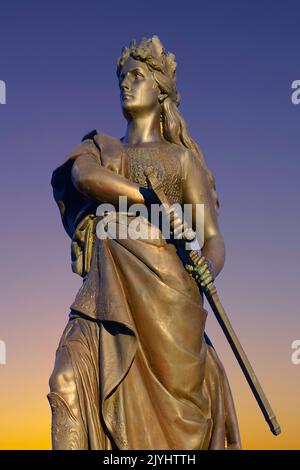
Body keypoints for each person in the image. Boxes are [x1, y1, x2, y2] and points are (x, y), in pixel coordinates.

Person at [48, 35, 241, 450]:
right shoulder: (100, 147)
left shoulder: (182, 160)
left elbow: (212, 237)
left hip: (169, 303)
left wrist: (208, 265)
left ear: (161, 90)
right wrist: (148, 199)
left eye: (137, 75)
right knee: (65, 380)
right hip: (103, 296)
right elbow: (83, 178)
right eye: (122, 76)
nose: (125, 82)